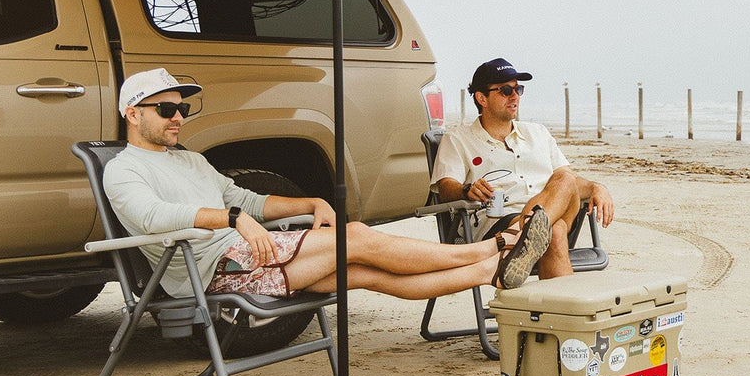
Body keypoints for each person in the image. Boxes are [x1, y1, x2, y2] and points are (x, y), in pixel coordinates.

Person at [103, 68, 550, 301]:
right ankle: (493, 248)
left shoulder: (192, 161)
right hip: (211, 273)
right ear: (133, 114)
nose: (178, 118)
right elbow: (153, 218)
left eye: (182, 110)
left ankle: (490, 270)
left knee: (366, 273)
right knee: (354, 238)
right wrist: (233, 220)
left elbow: (247, 199)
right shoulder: (123, 169)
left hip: (250, 261)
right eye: (166, 110)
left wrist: (311, 201)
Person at [430, 57, 614, 279]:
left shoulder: (538, 133)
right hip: (497, 223)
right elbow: (446, 187)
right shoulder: (458, 139)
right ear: (482, 98)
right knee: (554, 232)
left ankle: (521, 236)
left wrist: (597, 187)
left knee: (565, 178)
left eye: (518, 89)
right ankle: (528, 239)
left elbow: (568, 183)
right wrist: (466, 189)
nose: (514, 95)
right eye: (506, 90)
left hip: (535, 220)